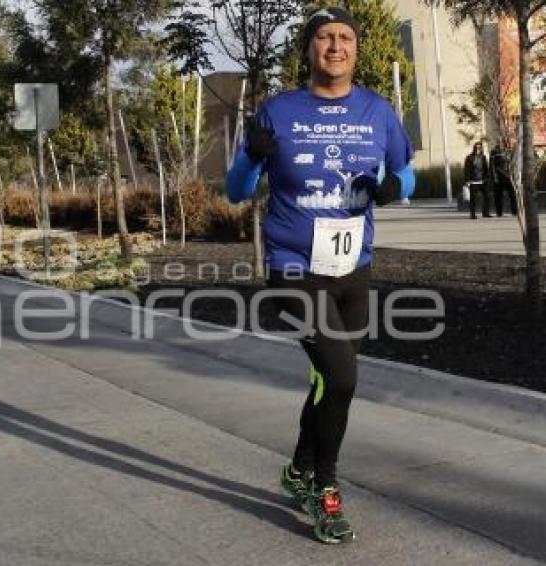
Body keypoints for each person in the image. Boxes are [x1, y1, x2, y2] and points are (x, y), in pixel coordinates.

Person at [226, 7, 414, 544]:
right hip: (293, 266)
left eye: (346, 38)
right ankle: (324, 490)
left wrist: (392, 189)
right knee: (344, 377)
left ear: (357, 49)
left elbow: (404, 173)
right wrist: (250, 160)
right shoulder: (277, 111)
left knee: (332, 382)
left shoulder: (378, 111)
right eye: (325, 38)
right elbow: (237, 191)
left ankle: (296, 469)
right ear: (308, 49)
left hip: (353, 267)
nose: (336, 46)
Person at [490, 142, 518, 217]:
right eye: (500, 142)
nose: (502, 143)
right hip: (499, 176)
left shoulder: (509, 151)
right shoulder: (494, 151)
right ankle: (499, 212)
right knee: (498, 196)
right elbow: (492, 165)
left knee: (513, 194)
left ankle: (514, 211)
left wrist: (514, 175)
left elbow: (513, 164)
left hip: (508, 176)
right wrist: (494, 177)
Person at [464, 142, 491, 219]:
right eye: (476, 147)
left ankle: (486, 213)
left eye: (479, 148)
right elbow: (467, 170)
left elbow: (486, 168)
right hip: (473, 181)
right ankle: (472, 214)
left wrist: (487, 178)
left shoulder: (483, 157)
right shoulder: (469, 158)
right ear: (474, 148)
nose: (478, 149)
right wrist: (467, 180)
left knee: (487, 197)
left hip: (483, 180)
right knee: (473, 198)